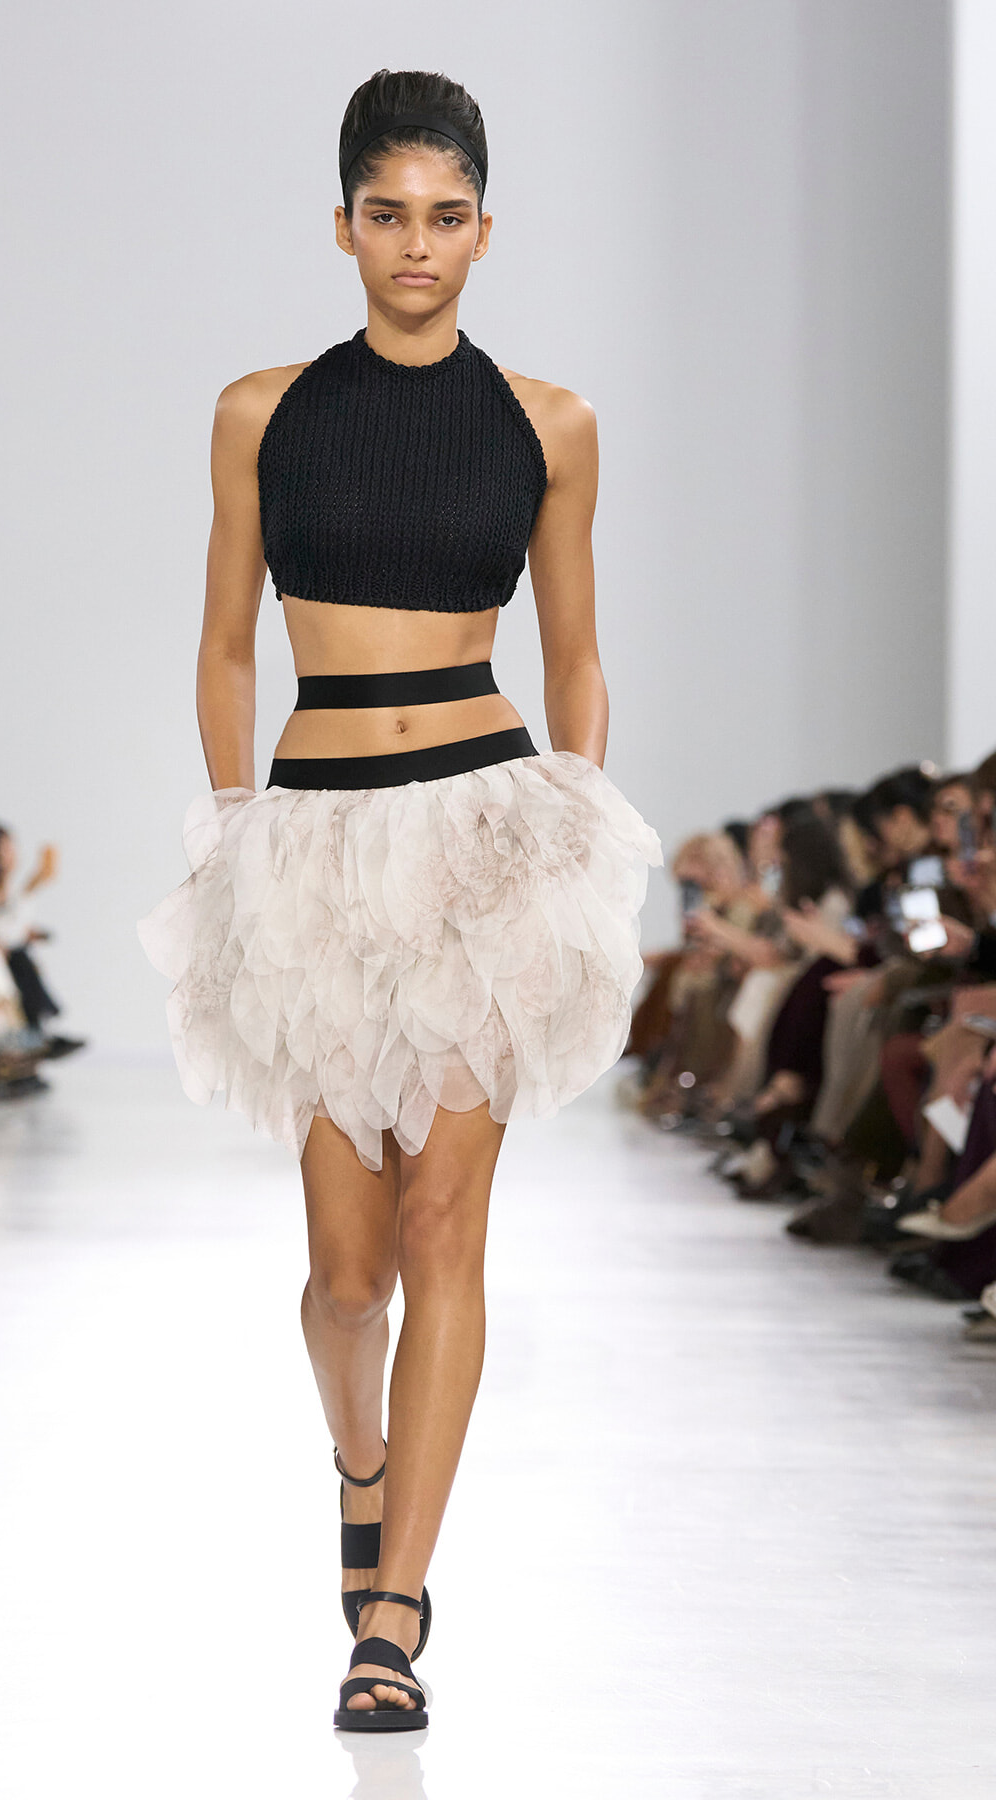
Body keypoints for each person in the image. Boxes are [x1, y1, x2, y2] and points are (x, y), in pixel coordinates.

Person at [138, 66, 662, 1733]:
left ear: (486, 229)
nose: (418, 245)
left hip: (486, 837)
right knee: (347, 1273)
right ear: (345, 225)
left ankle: (393, 1608)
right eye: (389, 215)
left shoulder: (552, 424)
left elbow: (575, 647)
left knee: (448, 1237)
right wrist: (229, 821)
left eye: (448, 218)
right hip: (311, 850)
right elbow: (225, 640)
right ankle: (356, 1457)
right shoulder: (260, 410)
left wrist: (579, 814)